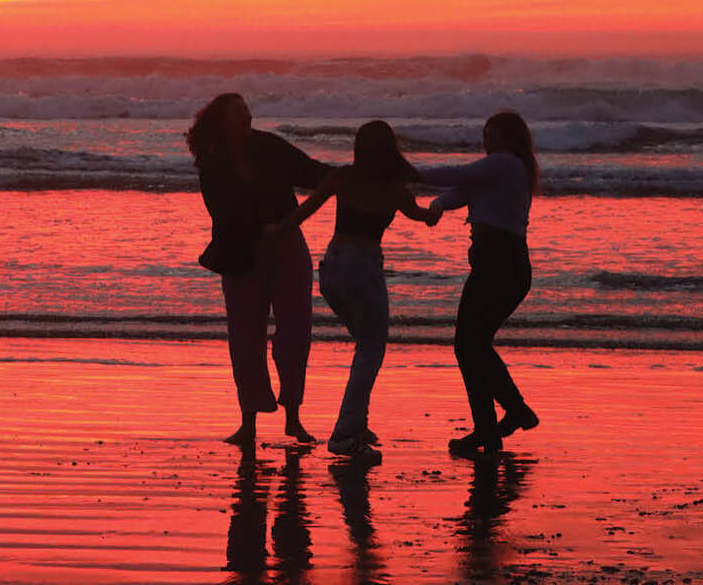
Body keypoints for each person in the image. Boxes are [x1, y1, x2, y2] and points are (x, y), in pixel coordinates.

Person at [269, 120, 437, 462]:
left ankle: (357, 422)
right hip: (363, 270)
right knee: (371, 349)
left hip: (332, 268)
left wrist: (273, 231)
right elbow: (423, 217)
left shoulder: (343, 177)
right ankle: (346, 432)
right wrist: (438, 208)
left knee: (366, 346)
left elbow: (301, 213)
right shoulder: (394, 189)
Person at [188, 93, 331, 446]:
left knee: (296, 331)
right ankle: (248, 421)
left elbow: (313, 173)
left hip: (287, 246)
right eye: (239, 114)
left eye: (248, 112)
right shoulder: (213, 163)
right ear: (221, 122)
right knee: (245, 337)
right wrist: (262, 228)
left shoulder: (270, 146)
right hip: (240, 252)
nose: (247, 118)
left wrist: (349, 176)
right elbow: (222, 214)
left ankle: (293, 417)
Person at [421, 111, 540, 457]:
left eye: (492, 135)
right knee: (474, 346)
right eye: (484, 135)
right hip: (502, 265)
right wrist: (439, 204)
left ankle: (508, 416)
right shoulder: (507, 168)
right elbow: (463, 190)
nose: (486, 142)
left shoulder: (504, 163)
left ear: (508, 138)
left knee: (468, 346)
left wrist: (409, 173)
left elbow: (459, 175)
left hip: (499, 265)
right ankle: (495, 426)